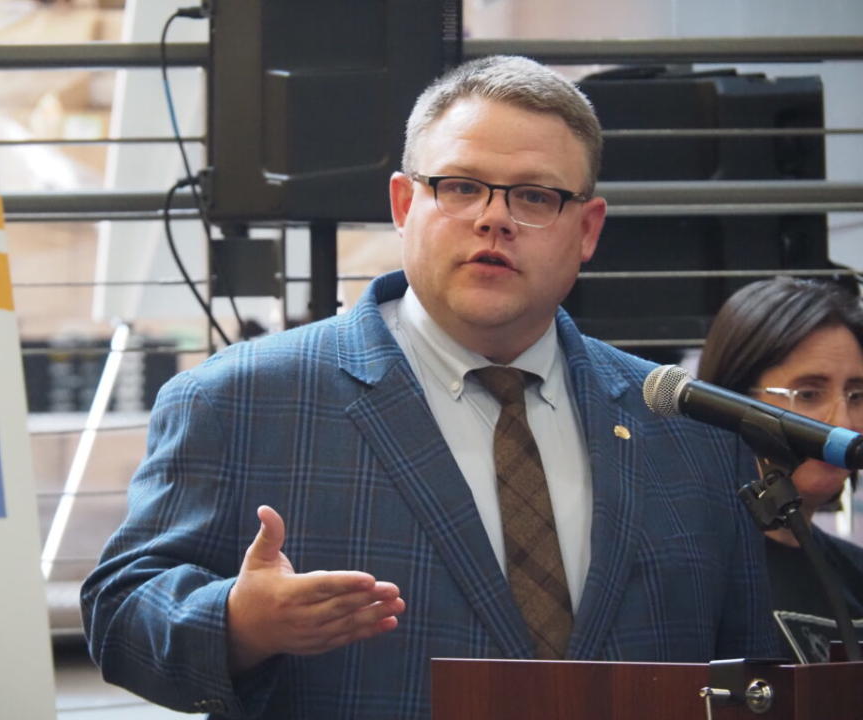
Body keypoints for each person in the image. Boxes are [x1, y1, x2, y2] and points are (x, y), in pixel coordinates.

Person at [81, 55, 778, 719]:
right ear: (403, 202)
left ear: (587, 230)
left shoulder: (691, 429)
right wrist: (237, 622)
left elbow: (753, 678)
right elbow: (119, 620)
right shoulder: (239, 400)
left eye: (535, 196)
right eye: (461, 186)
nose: (493, 218)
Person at [697, 276, 863, 662]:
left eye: (857, 394)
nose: (843, 422)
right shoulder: (695, 572)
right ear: (730, 402)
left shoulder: (854, 571)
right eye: (808, 394)